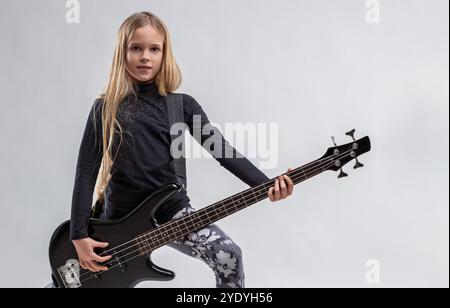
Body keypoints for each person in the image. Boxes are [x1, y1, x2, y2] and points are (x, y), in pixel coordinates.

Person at [70, 11, 294, 288]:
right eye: (136, 48)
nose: (145, 57)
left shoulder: (181, 105)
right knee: (80, 281)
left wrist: (266, 185)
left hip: (171, 212)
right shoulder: (105, 108)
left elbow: (221, 150)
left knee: (229, 256)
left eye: (154, 49)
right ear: (122, 53)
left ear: (165, 54)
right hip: (116, 221)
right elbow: (86, 172)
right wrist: (78, 234)